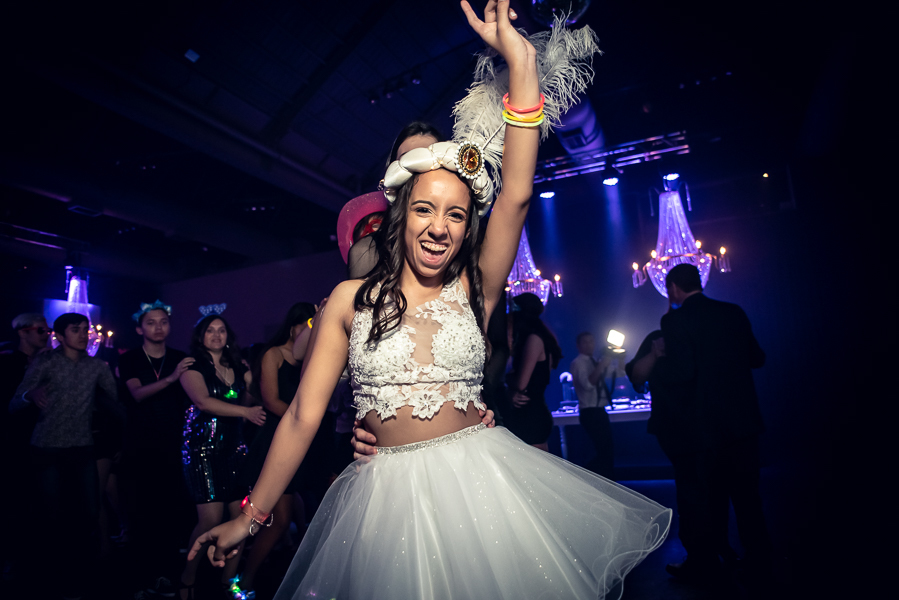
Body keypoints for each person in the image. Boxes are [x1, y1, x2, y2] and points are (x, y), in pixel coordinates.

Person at [192, 4, 668, 598]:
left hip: (481, 487)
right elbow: (300, 416)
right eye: (424, 208)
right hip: (382, 502)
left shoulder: (476, 287)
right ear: (399, 214)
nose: (439, 226)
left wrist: (519, 59)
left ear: (469, 227)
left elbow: (516, 193)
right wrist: (251, 514)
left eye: (456, 214)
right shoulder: (347, 300)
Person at [650, 263, 770, 582]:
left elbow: (682, 372)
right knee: (748, 496)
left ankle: (707, 560)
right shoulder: (733, 311)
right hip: (743, 422)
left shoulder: (674, 320)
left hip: (703, 427)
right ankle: (759, 558)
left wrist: (657, 363)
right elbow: (758, 358)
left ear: (673, 288)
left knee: (704, 496)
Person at [10, 312, 119, 599]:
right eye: (76, 329)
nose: (83, 334)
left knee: (88, 514)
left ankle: (84, 579)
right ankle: (52, 581)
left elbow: (115, 404)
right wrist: (30, 395)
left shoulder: (97, 366)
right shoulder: (45, 361)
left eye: (85, 329)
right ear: (59, 335)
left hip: (82, 448)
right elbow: (14, 403)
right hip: (46, 448)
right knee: (51, 516)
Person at [233, 302, 320, 599]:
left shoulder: (310, 358)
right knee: (278, 518)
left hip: (300, 438)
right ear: (294, 326)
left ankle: (247, 576)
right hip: (276, 437)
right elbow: (270, 400)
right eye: (307, 325)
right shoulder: (273, 354)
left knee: (285, 517)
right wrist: (307, 422)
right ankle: (243, 580)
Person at [178, 313, 265, 599]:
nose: (216, 335)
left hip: (235, 450)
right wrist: (245, 412)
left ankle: (230, 584)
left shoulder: (238, 366)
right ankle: (187, 580)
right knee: (209, 521)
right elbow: (204, 402)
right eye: (210, 331)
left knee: (240, 520)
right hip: (203, 449)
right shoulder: (193, 366)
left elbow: (256, 394)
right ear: (200, 336)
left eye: (222, 330)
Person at [118, 300, 195, 598]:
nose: (158, 327)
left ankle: (166, 577)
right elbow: (137, 394)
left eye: (163, 321)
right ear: (140, 328)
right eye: (151, 322)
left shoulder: (179, 357)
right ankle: (142, 578)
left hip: (175, 446)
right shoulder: (132, 359)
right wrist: (173, 378)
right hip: (141, 446)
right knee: (142, 513)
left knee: (171, 513)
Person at [0, 313, 50, 581]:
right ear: (23, 332)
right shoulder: (8, 362)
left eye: (47, 330)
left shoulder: (51, 362)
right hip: (14, 442)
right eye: (40, 330)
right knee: (15, 499)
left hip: (46, 440)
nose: (46, 334)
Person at [501, 292, 562, 450]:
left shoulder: (534, 340)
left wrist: (506, 380)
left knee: (536, 472)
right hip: (532, 412)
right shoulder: (539, 336)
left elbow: (522, 384)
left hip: (530, 414)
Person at [570, 331, 616, 477]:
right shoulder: (578, 363)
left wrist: (619, 357)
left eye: (592, 341)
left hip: (600, 410)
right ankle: (585, 479)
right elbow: (588, 385)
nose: (590, 345)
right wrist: (601, 365)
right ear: (578, 345)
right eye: (585, 342)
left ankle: (604, 481)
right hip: (590, 412)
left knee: (606, 451)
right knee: (602, 452)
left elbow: (619, 373)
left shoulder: (595, 361)